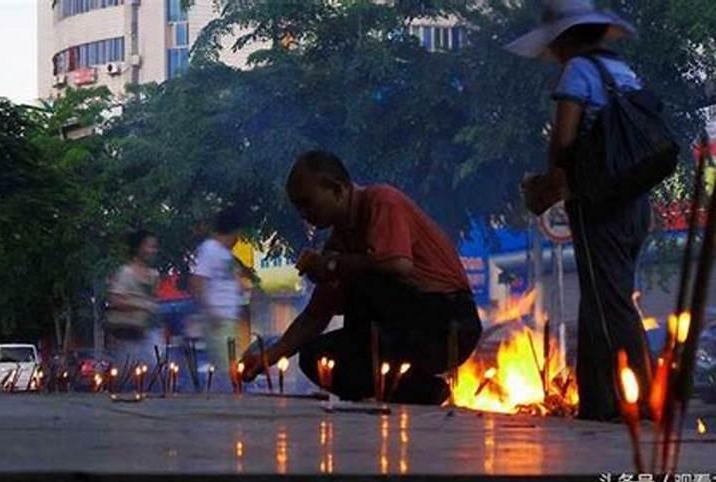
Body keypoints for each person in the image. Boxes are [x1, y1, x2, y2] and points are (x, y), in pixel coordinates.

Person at [241, 150, 482, 405]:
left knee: (365, 284)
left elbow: (398, 266)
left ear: (336, 189)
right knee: (315, 356)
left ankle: (408, 383)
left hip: (447, 323)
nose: (303, 214)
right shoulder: (338, 243)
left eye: (307, 203)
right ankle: (421, 390)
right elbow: (315, 317)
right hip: (399, 333)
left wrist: (331, 265)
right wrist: (268, 357)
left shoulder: (381, 201)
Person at [506, 0, 652, 420]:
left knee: (611, 303)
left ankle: (641, 401)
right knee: (600, 300)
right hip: (634, 205)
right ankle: (597, 402)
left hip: (599, 207)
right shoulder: (623, 72)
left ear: (564, 38)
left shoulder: (579, 71)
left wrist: (547, 184)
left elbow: (564, 140)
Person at [190, 207, 246, 376]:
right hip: (218, 321)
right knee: (229, 369)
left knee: (234, 366)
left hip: (229, 319)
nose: (238, 238)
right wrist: (211, 311)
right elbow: (197, 282)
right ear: (234, 231)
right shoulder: (210, 249)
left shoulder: (226, 254)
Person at [106, 230, 160, 368]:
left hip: (149, 333)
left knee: (156, 370)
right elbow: (115, 300)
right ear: (138, 248)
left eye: (154, 247)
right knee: (130, 375)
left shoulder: (154, 275)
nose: (153, 250)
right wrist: (142, 305)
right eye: (149, 246)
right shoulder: (125, 273)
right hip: (128, 336)